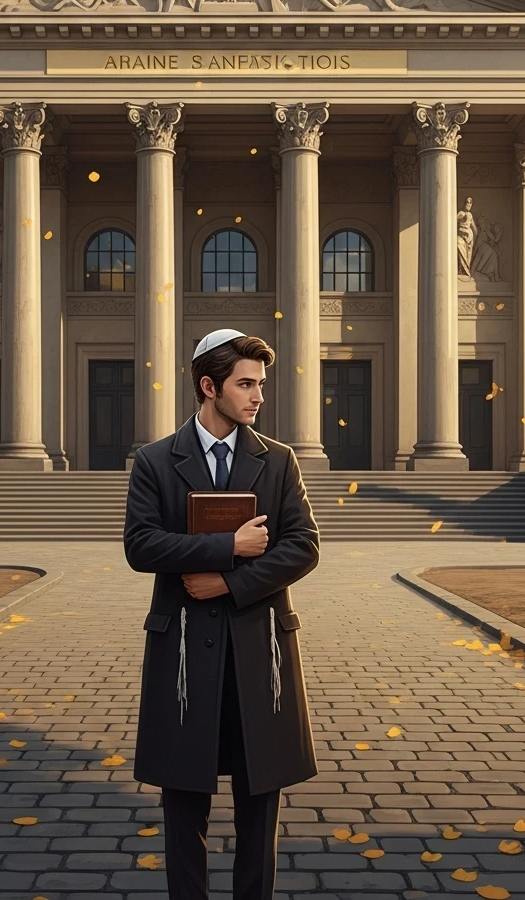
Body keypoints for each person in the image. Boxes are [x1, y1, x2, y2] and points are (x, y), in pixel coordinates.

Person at [124, 329, 320, 900]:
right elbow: (141, 546)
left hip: (261, 652)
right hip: (183, 651)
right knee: (184, 802)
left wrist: (228, 584)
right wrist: (226, 546)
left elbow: (303, 545)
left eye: (261, 383)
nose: (259, 396)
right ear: (209, 386)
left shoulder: (278, 461)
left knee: (260, 803)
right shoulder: (156, 461)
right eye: (246, 384)